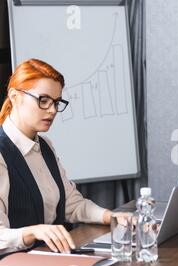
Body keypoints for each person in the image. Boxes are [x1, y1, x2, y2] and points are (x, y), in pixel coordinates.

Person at [0, 58, 115, 255]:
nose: (52, 110)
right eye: (43, 100)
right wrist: (34, 231)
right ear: (14, 96)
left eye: (56, 102)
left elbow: (72, 204)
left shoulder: (45, 146)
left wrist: (113, 217)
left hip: (48, 260)